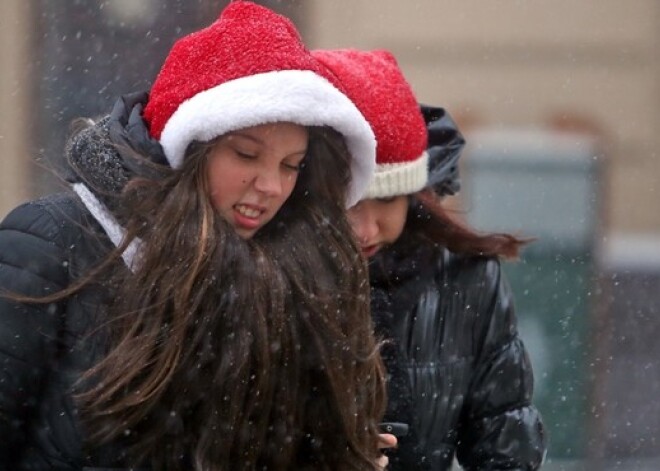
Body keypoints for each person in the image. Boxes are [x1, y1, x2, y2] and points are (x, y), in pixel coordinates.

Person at [0, 3, 389, 470]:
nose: (271, 186)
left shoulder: (294, 275)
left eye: (291, 166)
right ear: (188, 147)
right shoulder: (50, 243)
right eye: (246, 155)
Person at [313, 48, 547, 470]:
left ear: (412, 194)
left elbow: (504, 437)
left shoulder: (465, 277)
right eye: (345, 203)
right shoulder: (273, 274)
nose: (365, 229)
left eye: (384, 199)